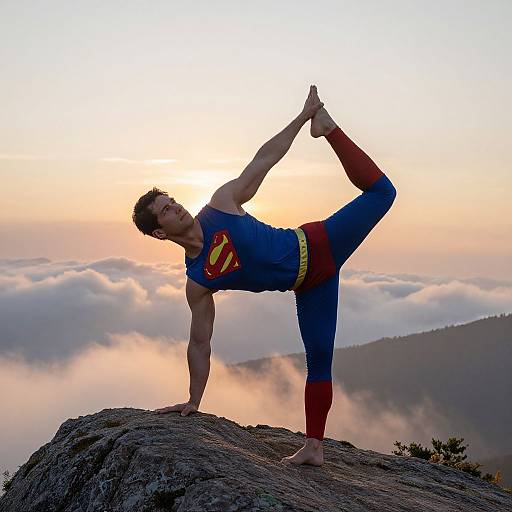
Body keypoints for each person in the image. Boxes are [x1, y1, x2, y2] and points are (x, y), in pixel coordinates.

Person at [132, 85, 397, 466]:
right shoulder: (198, 279)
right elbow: (200, 342)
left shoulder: (221, 204)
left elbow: (265, 159)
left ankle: (328, 129)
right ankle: (314, 449)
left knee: (382, 193)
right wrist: (193, 400)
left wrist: (305, 117)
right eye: (166, 211)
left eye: (172, 201)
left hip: (320, 243)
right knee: (319, 361)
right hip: (310, 286)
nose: (176, 208)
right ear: (159, 232)